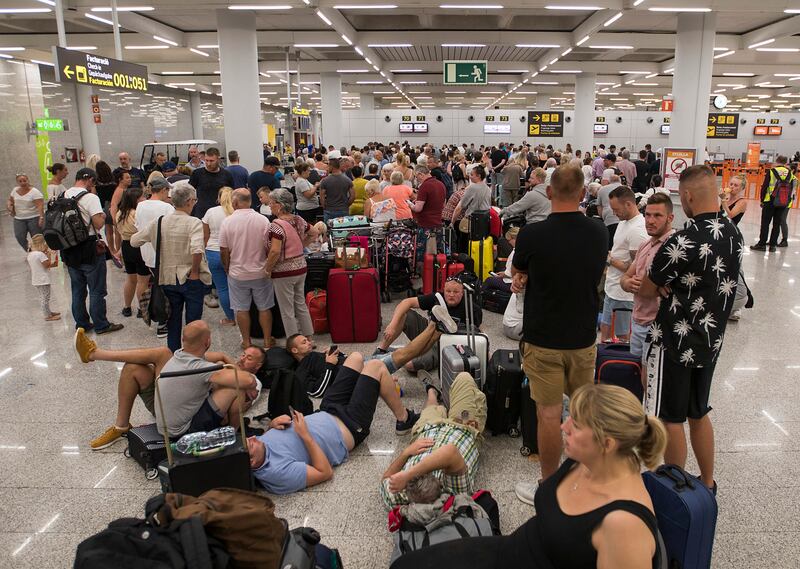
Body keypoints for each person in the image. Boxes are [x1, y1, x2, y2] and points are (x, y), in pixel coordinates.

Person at [390, 384, 667, 569]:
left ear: (607, 443)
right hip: (510, 551)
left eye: (576, 424)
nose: (563, 425)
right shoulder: (588, 460)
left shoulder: (624, 526)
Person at [639, 164, 742, 493]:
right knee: (699, 411)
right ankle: (707, 482)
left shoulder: (682, 241)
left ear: (686, 196)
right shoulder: (734, 235)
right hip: (711, 342)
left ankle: (675, 488)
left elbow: (647, 285)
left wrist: (647, 284)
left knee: (671, 417)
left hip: (674, 340)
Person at [511, 165, 607, 504]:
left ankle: (549, 488)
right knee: (582, 411)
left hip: (543, 337)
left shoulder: (532, 235)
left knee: (548, 415)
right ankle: (583, 480)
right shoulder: (598, 232)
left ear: (549, 193)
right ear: (583, 194)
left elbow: (519, 270)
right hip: (583, 337)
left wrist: (521, 277)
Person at [74, 325, 266, 449]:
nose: (242, 358)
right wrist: (227, 362)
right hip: (176, 413)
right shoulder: (204, 365)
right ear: (207, 342)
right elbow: (221, 365)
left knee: (233, 388)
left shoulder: (252, 380)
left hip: (181, 416)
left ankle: (229, 438)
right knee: (138, 366)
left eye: (249, 358)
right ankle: (120, 426)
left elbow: (247, 383)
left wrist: (228, 368)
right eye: (243, 354)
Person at [247, 356, 419, 494]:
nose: (254, 437)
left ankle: (379, 384)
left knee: (355, 358)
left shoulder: (259, 449)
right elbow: (324, 473)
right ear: (252, 462)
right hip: (348, 426)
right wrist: (305, 435)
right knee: (376, 366)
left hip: (327, 410)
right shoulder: (277, 473)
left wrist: (273, 425)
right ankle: (404, 419)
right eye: (251, 443)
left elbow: (274, 442)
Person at [381, 372, 487, 507]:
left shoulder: (399, 495)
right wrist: (408, 474)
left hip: (426, 429)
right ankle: (447, 400)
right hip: (464, 427)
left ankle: (431, 390)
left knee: (431, 408)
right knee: (464, 377)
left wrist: (406, 453)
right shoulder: (455, 496)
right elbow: (450, 452)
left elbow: (385, 480)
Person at [131, 184, 210, 352]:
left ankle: (174, 354)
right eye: (194, 200)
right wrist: (195, 272)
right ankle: (193, 353)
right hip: (190, 277)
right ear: (189, 201)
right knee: (193, 321)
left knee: (173, 320)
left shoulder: (159, 222)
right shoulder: (193, 222)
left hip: (166, 278)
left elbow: (134, 241)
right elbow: (197, 249)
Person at [375, 278, 482, 373]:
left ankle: (400, 354)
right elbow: (406, 302)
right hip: (427, 332)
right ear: (443, 290)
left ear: (462, 293)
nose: (451, 294)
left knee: (409, 365)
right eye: (448, 291)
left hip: (443, 345)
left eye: (456, 292)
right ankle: (381, 350)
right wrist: (392, 325)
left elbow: (477, 334)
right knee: (405, 314)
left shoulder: (471, 308)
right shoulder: (437, 297)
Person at [620, 192, 674, 362]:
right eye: (648, 215)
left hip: (657, 325)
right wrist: (628, 283)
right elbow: (626, 277)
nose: (650, 221)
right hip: (637, 321)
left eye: (657, 215)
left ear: (670, 218)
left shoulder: (673, 248)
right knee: (637, 372)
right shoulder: (645, 244)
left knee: (650, 378)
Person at [219, 189, 274, 349]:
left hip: (237, 273)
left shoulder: (227, 222)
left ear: (235, 203)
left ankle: (246, 341)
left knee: (241, 309)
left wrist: (227, 267)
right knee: (264, 307)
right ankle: (266, 340)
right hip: (260, 271)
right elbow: (269, 245)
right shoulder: (263, 220)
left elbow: (223, 249)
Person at [265, 188, 319, 338]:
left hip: (283, 271)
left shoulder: (277, 225)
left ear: (280, 205)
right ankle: (308, 338)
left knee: (287, 309)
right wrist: (301, 245)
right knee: (300, 304)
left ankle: (294, 341)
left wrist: (267, 269)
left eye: (272, 203)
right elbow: (314, 232)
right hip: (301, 267)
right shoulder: (298, 219)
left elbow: (275, 251)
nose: (270, 205)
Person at [600, 186, 648, 343]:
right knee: (606, 337)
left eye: (616, 209)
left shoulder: (638, 229)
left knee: (622, 339)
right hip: (612, 289)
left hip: (623, 296)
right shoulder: (624, 222)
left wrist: (609, 260)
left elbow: (636, 269)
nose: (614, 213)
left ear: (628, 204)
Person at [134, 177, 175, 338]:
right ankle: (163, 320)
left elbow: (138, 228)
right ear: (164, 190)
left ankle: (152, 313)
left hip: (147, 253)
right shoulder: (167, 207)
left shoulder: (140, 206)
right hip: (165, 254)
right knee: (166, 289)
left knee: (155, 285)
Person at [202, 187, 236, 326]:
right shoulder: (236, 212)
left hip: (213, 251)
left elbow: (205, 235)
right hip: (234, 252)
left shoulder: (211, 212)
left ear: (218, 197)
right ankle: (243, 315)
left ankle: (231, 317)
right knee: (238, 287)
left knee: (222, 288)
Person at [115, 186, 150, 318]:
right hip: (139, 246)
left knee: (130, 279)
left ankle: (127, 307)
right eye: (142, 197)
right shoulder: (137, 214)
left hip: (126, 246)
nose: (144, 199)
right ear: (135, 200)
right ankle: (142, 309)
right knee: (143, 281)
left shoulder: (120, 213)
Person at [751, 155, 796, 252]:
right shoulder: (790, 173)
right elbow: (791, 189)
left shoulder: (771, 172)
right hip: (783, 201)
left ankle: (762, 244)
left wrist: (762, 200)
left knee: (765, 223)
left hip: (770, 200)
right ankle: (773, 246)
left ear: (777, 161)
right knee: (777, 224)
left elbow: (765, 187)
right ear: (785, 162)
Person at [411, 164, 446, 263]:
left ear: (421, 174)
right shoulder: (441, 184)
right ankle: (436, 274)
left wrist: (410, 205)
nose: (416, 179)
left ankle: (424, 276)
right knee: (435, 253)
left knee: (423, 255)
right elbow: (443, 204)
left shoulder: (424, 186)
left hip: (425, 224)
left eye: (416, 176)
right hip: (438, 223)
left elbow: (418, 209)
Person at [189, 147, 235, 219]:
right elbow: (189, 191)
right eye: (206, 160)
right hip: (202, 213)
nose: (208, 163)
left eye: (211, 161)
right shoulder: (197, 173)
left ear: (218, 160)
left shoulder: (227, 175)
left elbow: (231, 194)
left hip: (221, 213)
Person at [27, 234, 61, 321]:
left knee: (43, 297)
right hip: (43, 280)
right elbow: (47, 265)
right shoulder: (40, 254)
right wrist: (49, 255)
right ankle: (47, 316)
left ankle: (48, 312)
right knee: (45, 298)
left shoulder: (30, 254)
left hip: (36, 279)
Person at [7, 173, 44, 251]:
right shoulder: (14, 190)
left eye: (24, 180)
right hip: (19, 218)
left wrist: (41, 217)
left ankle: (40, 254)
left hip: (34, 218)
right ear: (17, 182)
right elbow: (10, 200)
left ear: (28, 180)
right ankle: (30, 251)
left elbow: (40, 205)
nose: (23, 183)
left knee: (37, 238)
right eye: (20, 181)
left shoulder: (35, 192)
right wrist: (9, 205)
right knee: (19, 236)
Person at [482, 227, 518, 296]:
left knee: (489, 281)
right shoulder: (518, 250)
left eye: (509, 240)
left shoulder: (516, 252)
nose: (508, 242)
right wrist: (504, 273)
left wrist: (504, 274)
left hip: (512, 282)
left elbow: (512, 272)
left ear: (514, 239)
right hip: (513, 279)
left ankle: (479, 298)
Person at [320, 158, 354, 222]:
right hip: (343, 209)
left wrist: (324, 206)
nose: (327, 167)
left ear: (332, 166)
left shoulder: (325, 181)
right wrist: (347, 204)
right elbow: (353, 196)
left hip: (329, 210)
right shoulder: (348, 180)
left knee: (329, 230)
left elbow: (322, 196)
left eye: (328, 166)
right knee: (343, 229)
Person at [596, 169, 622, 247]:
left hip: (608, 220)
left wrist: (602, 216)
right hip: (622, 220)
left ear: (609, 181)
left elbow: (599, 208)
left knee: (610, 243)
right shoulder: (626, 189)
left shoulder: (602, 189)